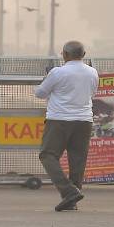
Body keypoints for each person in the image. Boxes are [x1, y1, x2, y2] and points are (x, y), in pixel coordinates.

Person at [34, 41, 98, 212]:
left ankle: (68, 191)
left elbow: (40, 93)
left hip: (59, 120)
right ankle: (73, 200)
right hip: (84, 120)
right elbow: (93, 93)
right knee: (77, 159)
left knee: (48, 155)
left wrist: (44, 80)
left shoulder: (57, 72)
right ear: (83, 55)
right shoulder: (92, 72)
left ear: (65, 54)